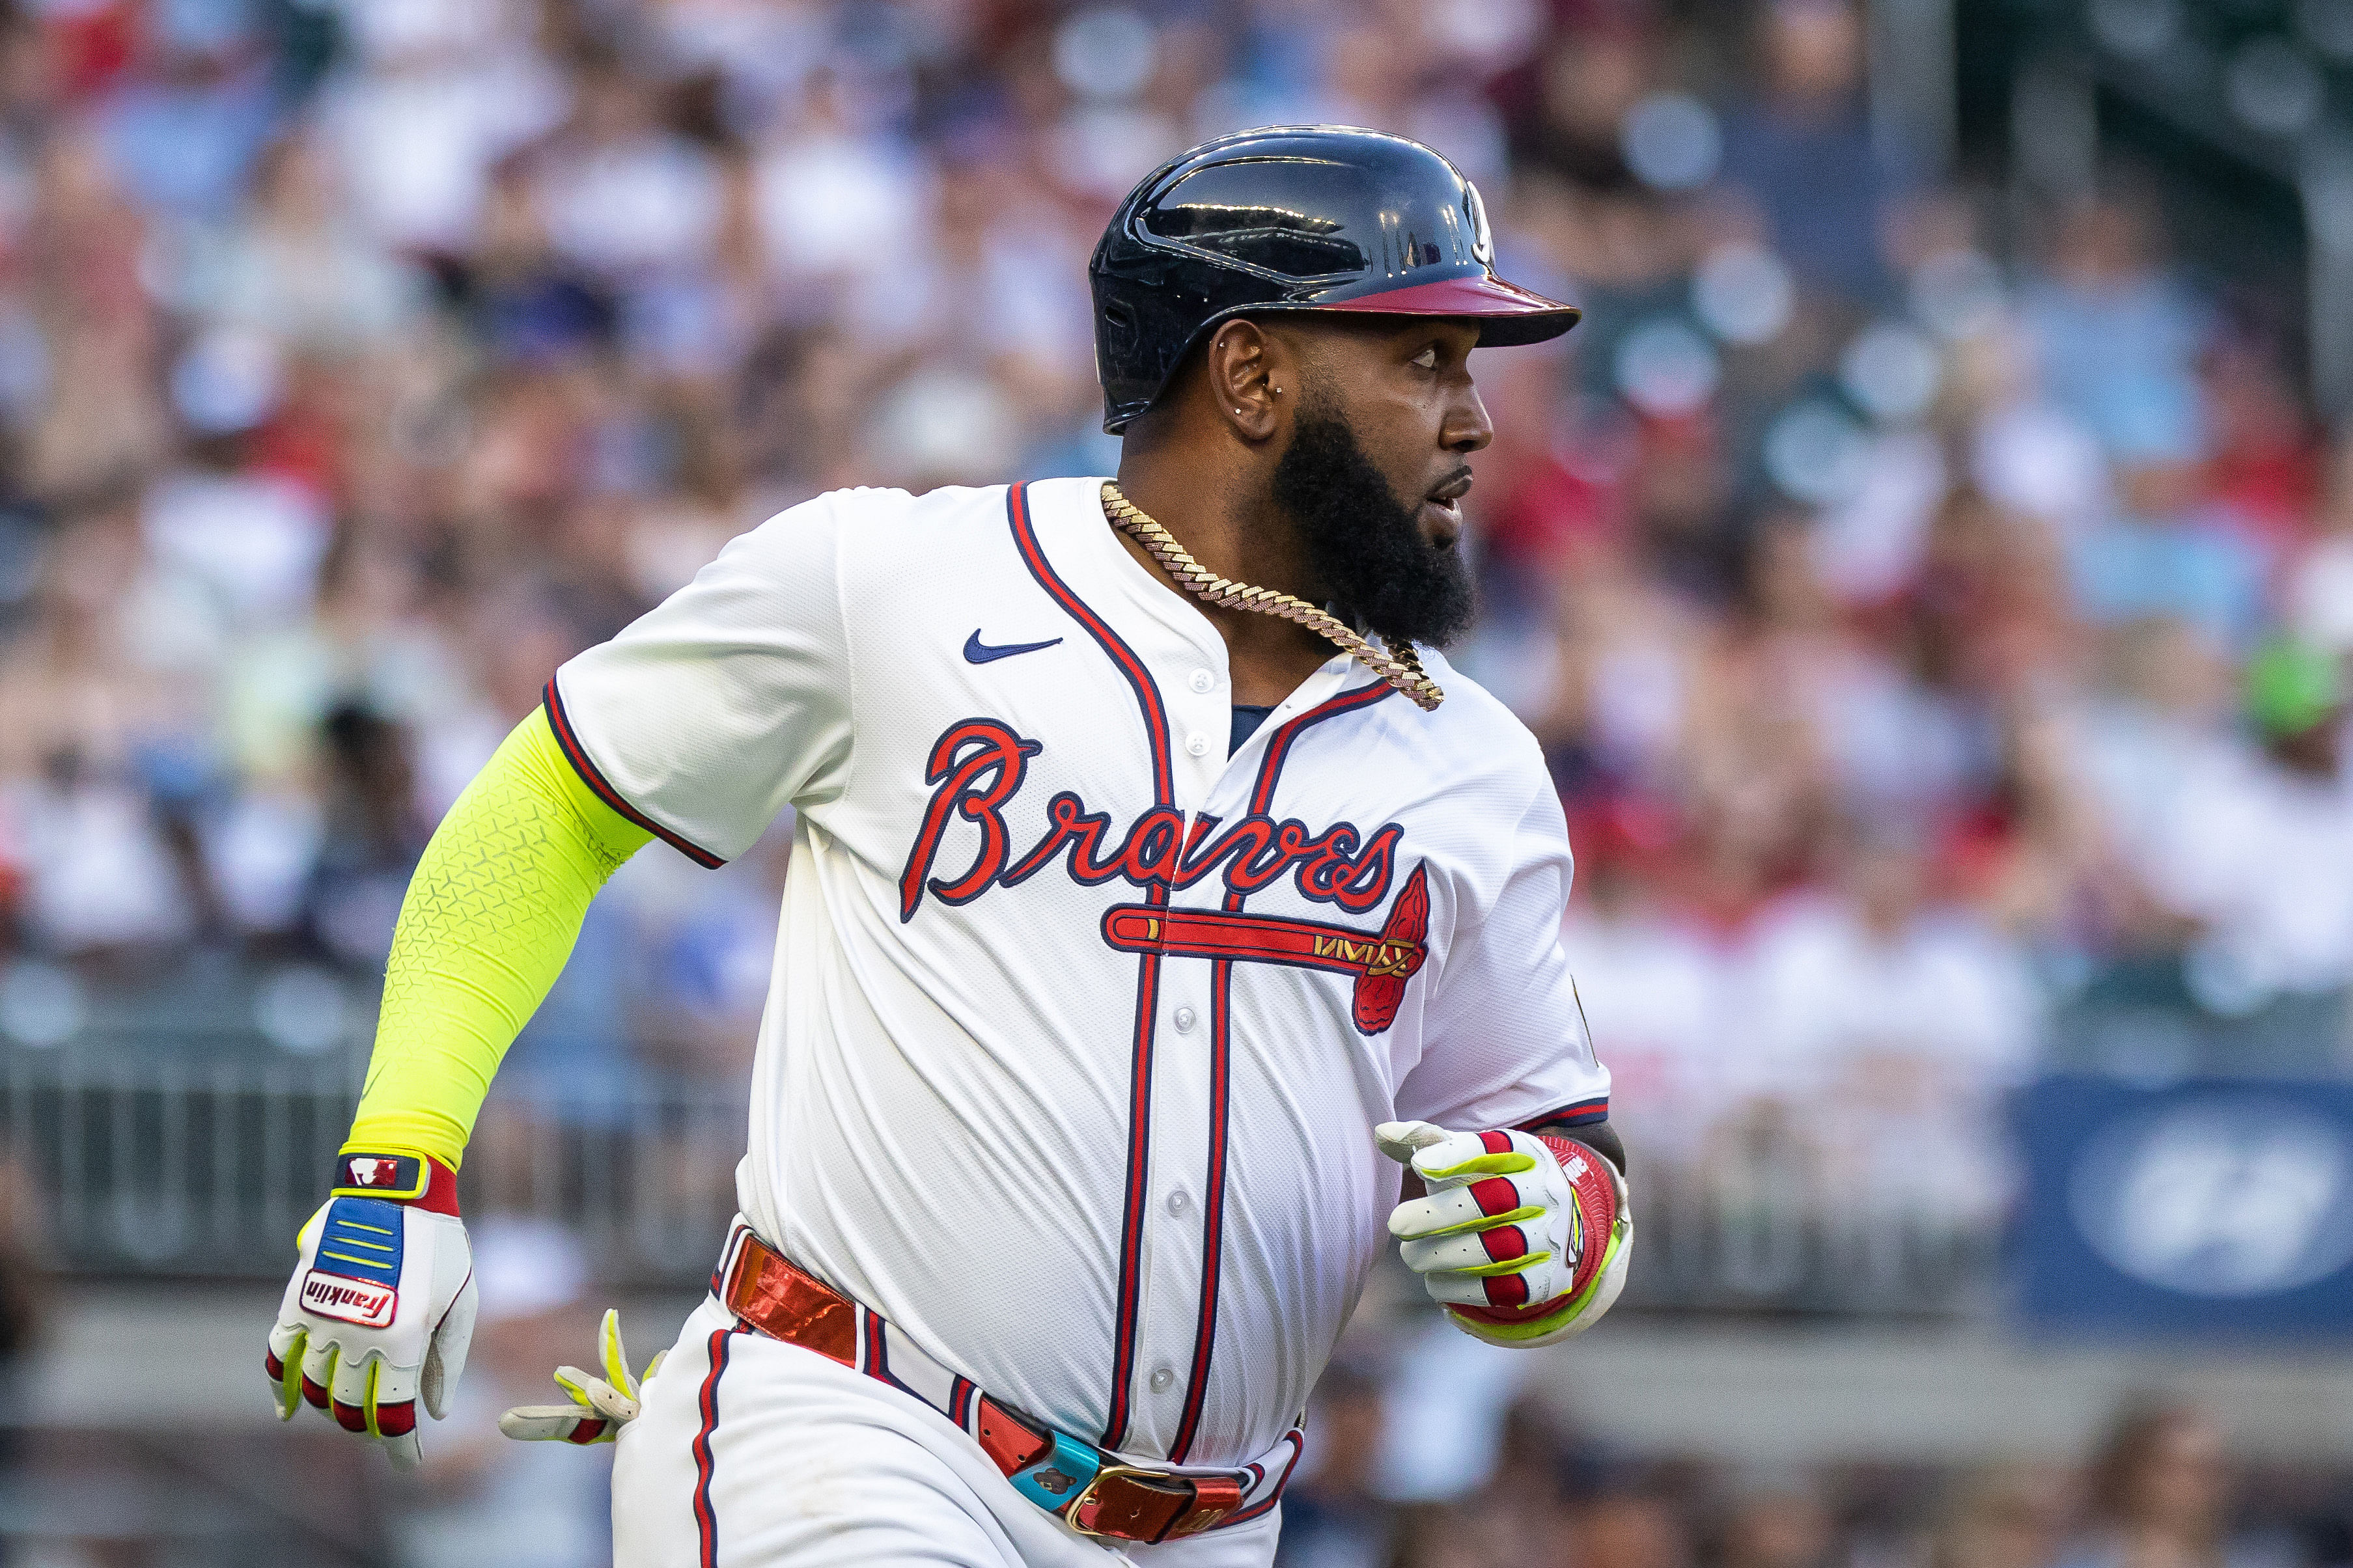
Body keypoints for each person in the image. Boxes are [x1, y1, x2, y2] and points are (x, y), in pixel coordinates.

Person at [262, 126, 1632, 1567]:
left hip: (1216, 1525)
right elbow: (548, 803)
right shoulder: (897, 581)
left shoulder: (1473, 763)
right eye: (1423, 358)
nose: (1473, 418)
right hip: (858, 1437)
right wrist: (397, 1165)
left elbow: (1560, 1149)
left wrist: (1550, 1236)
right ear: (1252, 374)